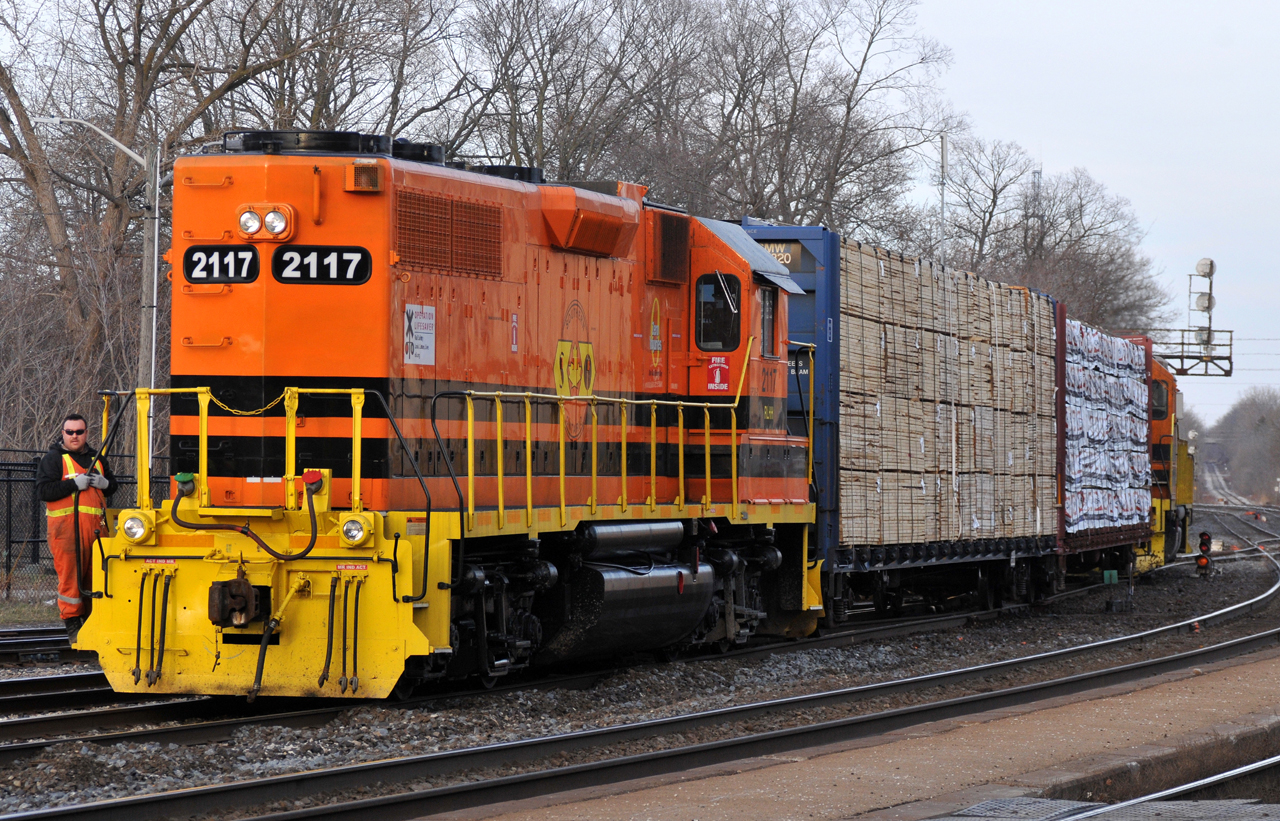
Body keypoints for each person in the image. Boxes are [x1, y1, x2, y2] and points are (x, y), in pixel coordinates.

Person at [35, 414, 117, 642]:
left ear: (86, 433)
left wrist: (106, 483)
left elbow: (112, 487)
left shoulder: (97, 458)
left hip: (97, 532)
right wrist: (74, 484)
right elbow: (43, 491)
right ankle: (73, 626)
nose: (74, 436)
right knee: (71, 580)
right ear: (62, 433)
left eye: (79, 432)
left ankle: (93, 625)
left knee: (96, 579)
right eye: (69, 432)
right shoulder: (53, 459)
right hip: (66, 532)